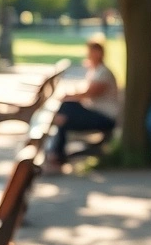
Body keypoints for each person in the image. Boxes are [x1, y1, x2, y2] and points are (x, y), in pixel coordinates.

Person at [46, 36, 119, 173]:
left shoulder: (103, 72)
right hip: (96, 112)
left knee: (66, 109)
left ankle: (55, 155)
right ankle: (56, 154)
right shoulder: (95, 71)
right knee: (65, 117)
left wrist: (68, 96)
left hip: (105, 116)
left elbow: (90, 93)